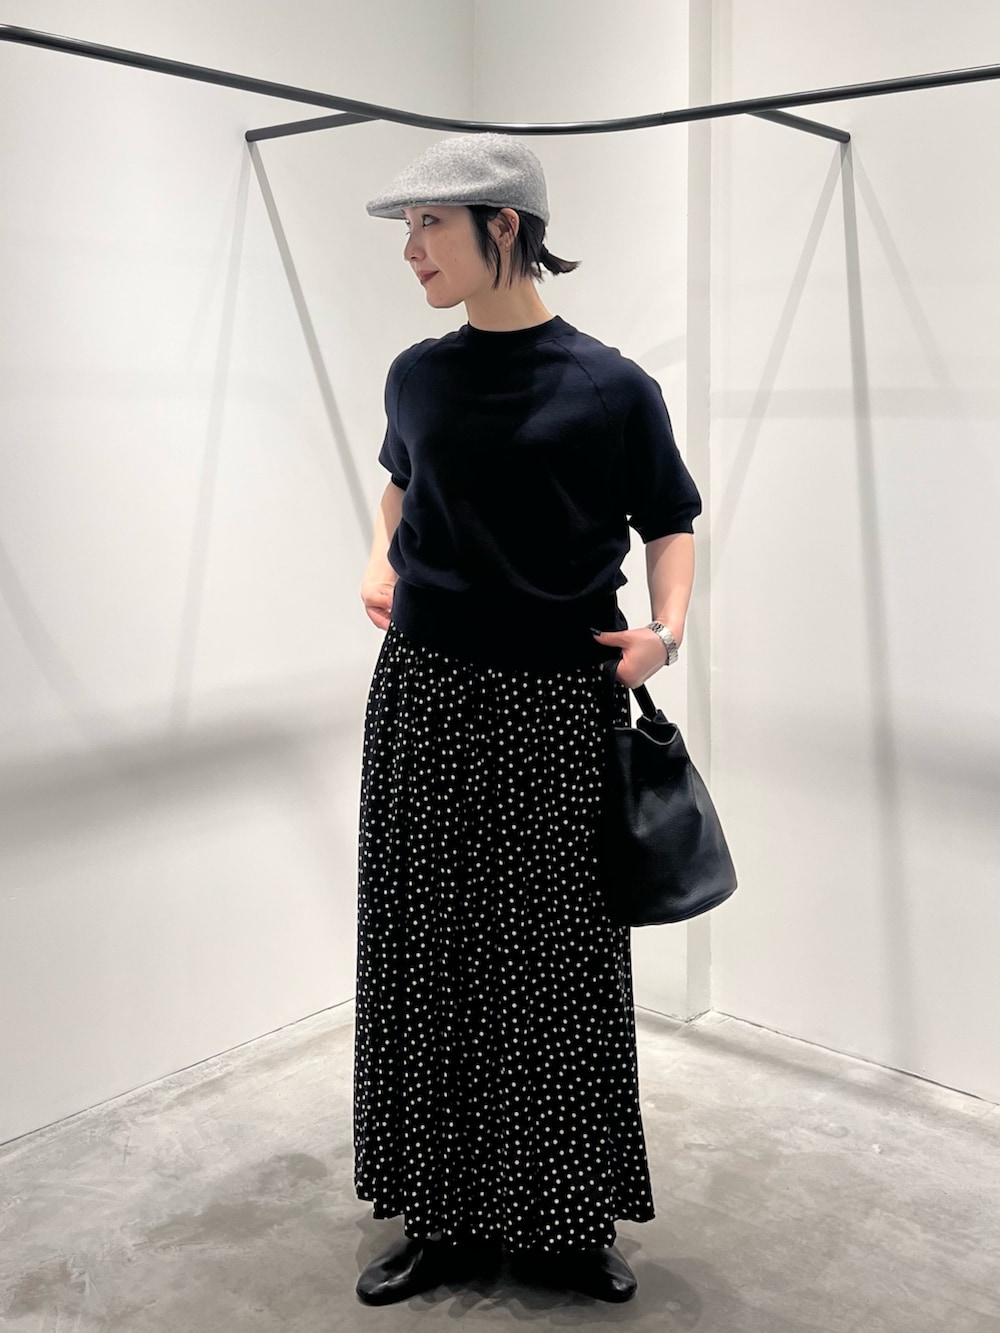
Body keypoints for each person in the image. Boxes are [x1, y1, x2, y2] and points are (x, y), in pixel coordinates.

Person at [353, 133, 701, 1306]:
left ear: (503, 225)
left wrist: (665, 629)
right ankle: (442, 1217)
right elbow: (401, 479)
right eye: (408, 227)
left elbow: (671, 519)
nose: (411, 250)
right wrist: (378, 555)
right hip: (424, 695)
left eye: (429, 225)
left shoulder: (610, 386)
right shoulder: (416, 374)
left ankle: (562, 1222)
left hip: (555, 701)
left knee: (556, 964)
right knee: (429, 955)